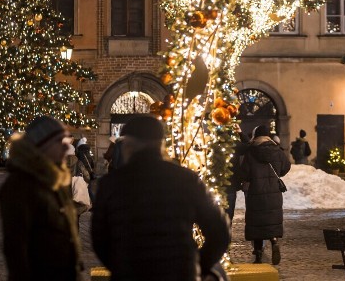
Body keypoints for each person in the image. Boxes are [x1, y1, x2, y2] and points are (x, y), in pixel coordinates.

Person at [92, 115, 230, 281]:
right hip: (180, 274)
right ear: (161, 144)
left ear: (128, 145)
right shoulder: (186, 179)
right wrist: (197, 264)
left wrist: (122, 265)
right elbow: (219, 231)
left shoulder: (111, 184)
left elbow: (100, 239)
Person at [0, 115, 81, 280]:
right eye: (60, 142)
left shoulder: (56, 179)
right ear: (42, 145)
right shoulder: (21, 184)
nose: (67, 148)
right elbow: (16, 247)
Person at [239, 125, 291, 265]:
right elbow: (286, 166)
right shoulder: (277, 151)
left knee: (257, 223)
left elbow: (244, 173)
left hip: (256, 193)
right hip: (274, 193)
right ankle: (274, 242)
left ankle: (259, 254)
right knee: (271, 220)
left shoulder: (251, 151)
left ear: (256, 136)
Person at [224, 129, 249, 221]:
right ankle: (227, 232)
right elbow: (248, 146)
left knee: (215, 215)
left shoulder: (213, 144)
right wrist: (240, 133)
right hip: (231, 183)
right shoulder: (234, 144)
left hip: (215, 184)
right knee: (229, 214)